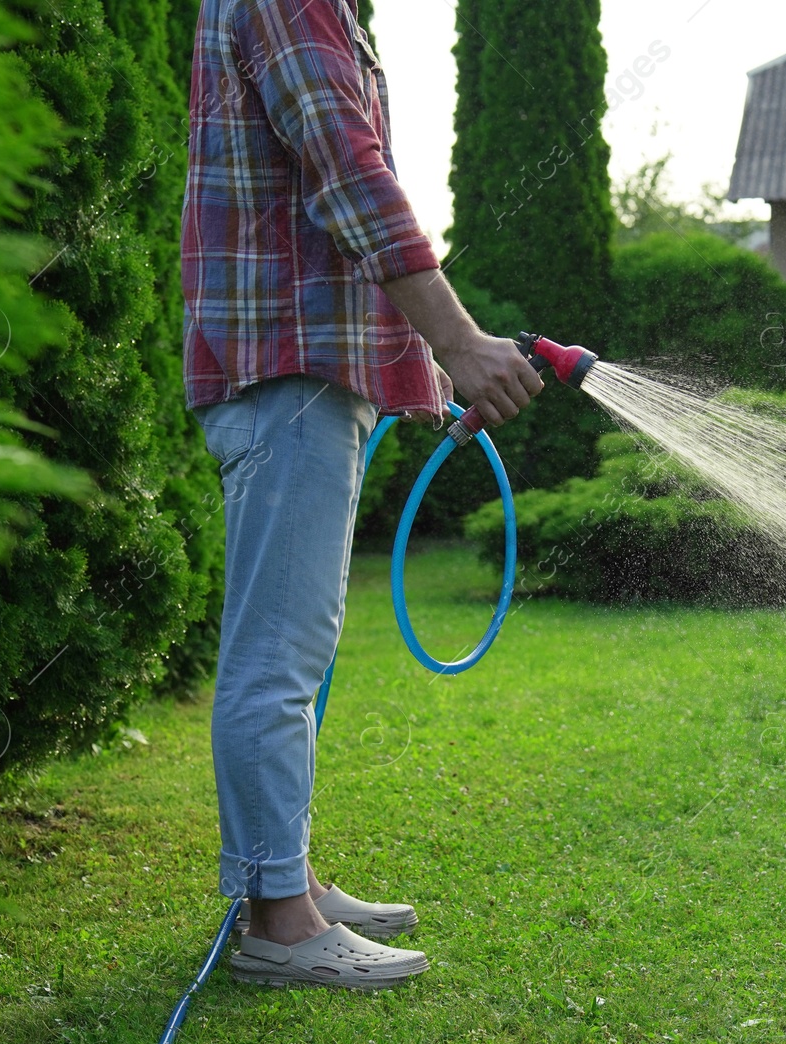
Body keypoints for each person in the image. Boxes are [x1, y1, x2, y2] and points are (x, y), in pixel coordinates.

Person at [180, 0, 542, 990]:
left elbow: (328, 201)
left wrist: (424, 368)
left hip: (299, 368)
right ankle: (279, 922)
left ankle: (280, 882)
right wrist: (458, 341)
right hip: (283, 369)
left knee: (290, 649)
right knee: (277, 656)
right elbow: (348, 175)